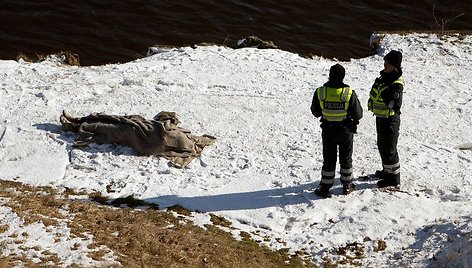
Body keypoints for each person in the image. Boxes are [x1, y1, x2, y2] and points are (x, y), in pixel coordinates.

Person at [311, 64, 363, 198]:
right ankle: (347, 185)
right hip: (345, 130)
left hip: (328, 130)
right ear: (343, 77)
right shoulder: (348, 92)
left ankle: (325, 188)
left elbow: (316, 112)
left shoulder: (320, 92)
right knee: (346, 158)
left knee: (329, 159)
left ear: (329, 75)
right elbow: (358, 114)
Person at [367, 50, 405, 187]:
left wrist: (385, 95)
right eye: (385, 62)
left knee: (389, 148)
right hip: (381, 118)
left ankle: (393, 178)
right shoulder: (385, 77)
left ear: (394, 66)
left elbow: (396, 105)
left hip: (390, 120)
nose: (385, 65)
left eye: (388, 63)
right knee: (382, 146)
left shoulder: (396, 84)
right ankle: (387, 171)